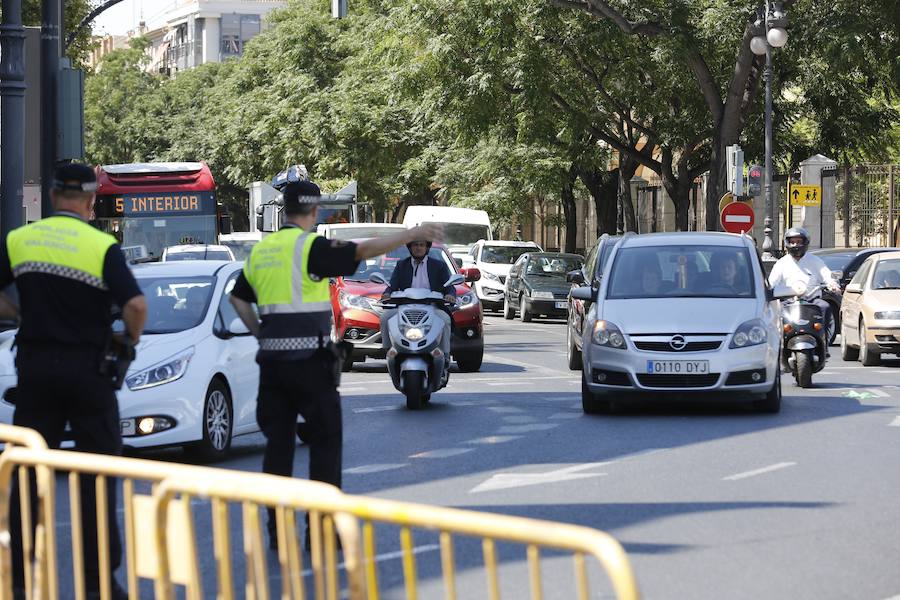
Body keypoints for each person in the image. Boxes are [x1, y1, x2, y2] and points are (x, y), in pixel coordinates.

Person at [228, 180, 441, 550]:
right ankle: (321, 532)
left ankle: (277, 534)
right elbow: (364, 249)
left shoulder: (263, 250)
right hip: (309, 362)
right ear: (314, 212)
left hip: (272, 365)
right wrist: (412, 233)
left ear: (283, 210)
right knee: (325, 443)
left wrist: (261, 333)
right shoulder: (311, 246)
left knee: (277, 450)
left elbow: (238, 299)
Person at [0, 163, 147, 600]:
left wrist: (21, 315)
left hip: (37, 371)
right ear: (90, 201)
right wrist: (127, 342)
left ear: (50, 196)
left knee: (26, 472)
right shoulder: (101, 245)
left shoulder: (18, 240)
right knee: (98, 475)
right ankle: (99, 580)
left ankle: (18, 577)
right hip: (89, 374)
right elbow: (136, 305)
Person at [380, 239, 456, 366]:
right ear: (410, 247)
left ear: (427, 247)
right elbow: (392, 286)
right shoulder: (401, 265)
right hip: (404, 307)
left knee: (445, 320)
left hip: (432, 307)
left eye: (422, 245)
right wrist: (387, 293)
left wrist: (450, 295)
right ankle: (389, 352)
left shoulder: (438, 265)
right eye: (415, 245)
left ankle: (445, 355)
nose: (419, 248)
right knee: (384, 318)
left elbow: (449, 286)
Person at [768, 227, 839, 323]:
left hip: (812, 301)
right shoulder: (781, 263)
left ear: (805, 242)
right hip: (788, 302)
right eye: (792, 242)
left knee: (825, 307)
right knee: (775, 312)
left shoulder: (815, 261)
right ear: (787, 243)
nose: (795, 245)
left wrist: (833, 284)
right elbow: (772, 283)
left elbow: (827, 275)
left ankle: (825, 337)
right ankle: (780, 337)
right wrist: (769, 291)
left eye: (798, 241)